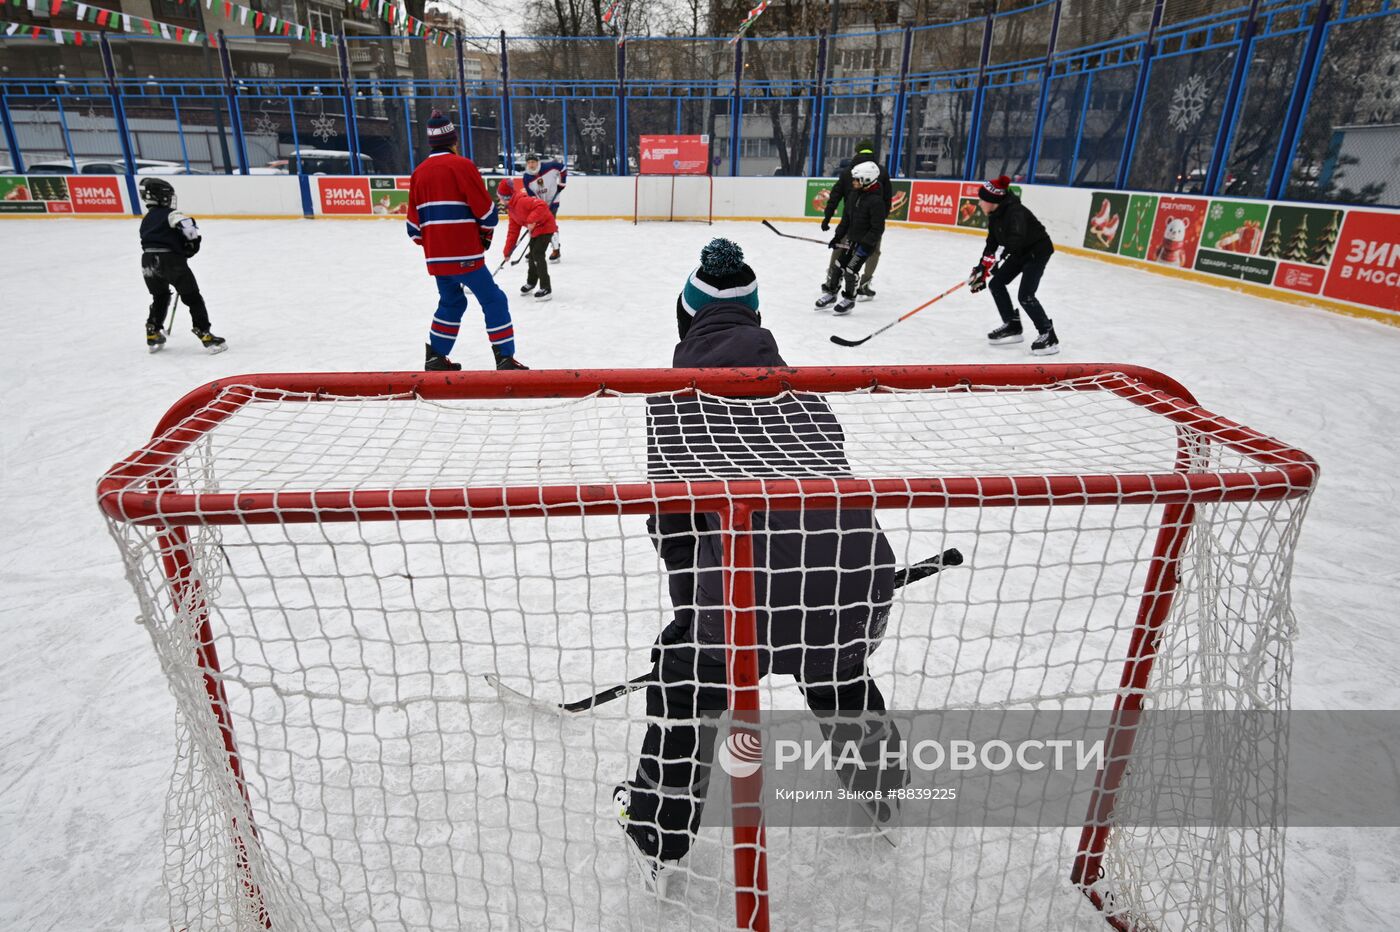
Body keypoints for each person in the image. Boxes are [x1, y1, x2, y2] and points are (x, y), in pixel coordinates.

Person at [615, 238, 902, 894]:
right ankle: (883, 792)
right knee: (836, 669)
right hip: (858, 578)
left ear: (686, 317)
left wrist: (696, 621)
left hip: (754, 585)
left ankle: (657, 835)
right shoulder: (803, 386)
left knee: (684, 674)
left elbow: (674, 525)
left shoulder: (673, 394)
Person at [405, 111, 526, 371]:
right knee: (493, 299)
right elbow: (486, 214)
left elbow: (414, 229)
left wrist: (436, 242)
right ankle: (505, 358)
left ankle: (436, 356)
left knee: (452, 301)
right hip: (465, 255)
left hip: (436, 259)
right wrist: (482, 230)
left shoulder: (418, 173)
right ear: (453, 140)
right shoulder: (462, 166)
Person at [967, 175, 1059, 355]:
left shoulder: (1016, 213)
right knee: (996, 284)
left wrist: (995, 261)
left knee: (1025, 295)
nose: (979, 204)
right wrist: (981, 268)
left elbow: (1015, 240)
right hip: (1019, 252)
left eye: (982, 200)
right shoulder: (995, 215)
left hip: (1036, 253)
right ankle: (1012, 324)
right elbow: (992, 243)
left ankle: (1048, 335)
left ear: (993, 200)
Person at [137, 177, 225, 354]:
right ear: (162, 197)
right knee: (193, 297)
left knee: (160, 296)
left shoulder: (146, 219)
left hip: (147, 261)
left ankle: (153, 331)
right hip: (171, 261)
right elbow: (188, 229)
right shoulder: (171, 214)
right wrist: (191, 246)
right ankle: (204, 332)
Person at [819, 140, 891, 303]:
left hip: (853, 222)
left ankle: (832, 280)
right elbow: (887, 200)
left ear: (856, 152)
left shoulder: (847, 171)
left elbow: (835, 196)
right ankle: (864, 284)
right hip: (870, 224)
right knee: (871, 252)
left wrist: (827, 217)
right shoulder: (882, 172)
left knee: (841, 249)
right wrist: (878, 222)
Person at [497, 178, 558, 301]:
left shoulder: (521, 201)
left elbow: (542, 205)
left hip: (546, 227)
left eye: (500, 197)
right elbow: (513, 232)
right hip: (536, 230)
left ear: (506, 197)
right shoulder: (512, 210)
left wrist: (531, 220)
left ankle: (546, 288)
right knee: (531, 256)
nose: (499, 200)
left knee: (537, 254)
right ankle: (531, 283)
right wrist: (508, 251)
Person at [522, 153, 567, 262]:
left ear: (537, 161)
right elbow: (531, 195)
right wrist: (538, 205)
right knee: (535, 226)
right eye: (528, 163)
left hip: (553, 202)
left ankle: (556, 250)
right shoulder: (527, 177)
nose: (531, 165)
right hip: (539, 205)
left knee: (550, 226)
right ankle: (534, 249)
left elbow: (563, 168)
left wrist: (562, 184)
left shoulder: (549, 167)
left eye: (533, 162)